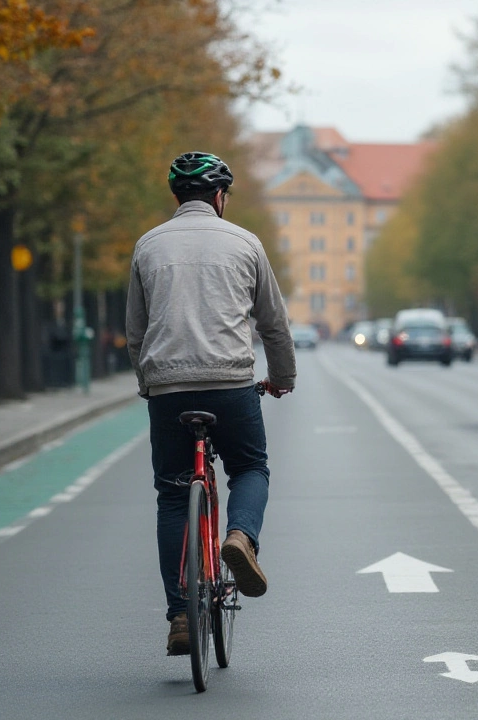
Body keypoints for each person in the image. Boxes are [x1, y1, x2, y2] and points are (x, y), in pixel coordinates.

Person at [126, 151, 296, 655]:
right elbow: (273, 324)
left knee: (175, 494)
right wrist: (281, 378)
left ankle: (180, 616)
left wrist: (147, 382)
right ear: (220, 198)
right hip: (230, 382)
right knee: (250, 467)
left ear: (177, 197)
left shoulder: (147, 246)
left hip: (169, 389)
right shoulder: (246, 243)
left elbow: (137, 332)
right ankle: (240, 537)